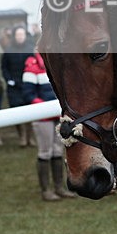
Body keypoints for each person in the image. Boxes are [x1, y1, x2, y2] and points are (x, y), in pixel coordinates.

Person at [21, 51, 76, 200]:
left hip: (58, 115)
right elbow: (28, 94)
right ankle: (46, 190)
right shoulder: (32, 66)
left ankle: (59, 187)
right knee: (45, 151)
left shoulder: (57, 65)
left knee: (58, 150)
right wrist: (45, 108)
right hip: (42, 117)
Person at [1, 26, 34, 147]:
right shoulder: (8, 50)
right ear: (14, 36)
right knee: (16, 111)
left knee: (30, 112)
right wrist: (9, 80)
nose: (20, 37)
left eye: (22, 34)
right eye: (18, 35)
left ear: (25, 36)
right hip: (14, 86)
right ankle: (21, 136)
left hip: (27, 84)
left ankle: (29, 137)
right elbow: (4, 67)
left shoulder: (31, 49)